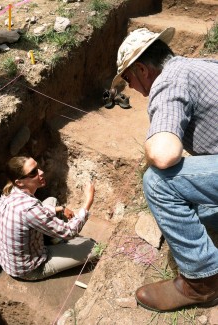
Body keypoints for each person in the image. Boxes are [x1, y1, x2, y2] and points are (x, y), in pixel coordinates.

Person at [112, 27, 218, 312]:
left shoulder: (168, 82)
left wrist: (149, 149)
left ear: (143, 70)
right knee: (201, 210)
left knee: (158, 181)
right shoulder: (199, 65)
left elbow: (163, 154)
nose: (130, 88)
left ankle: (203, 282)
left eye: (127, 78)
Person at [0, 155, 96, 281]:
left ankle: (54, 240)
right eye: (33, 172)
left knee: (51, 201)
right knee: (94, 247)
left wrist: (61, 209)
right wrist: (88, 201)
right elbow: (69, 232)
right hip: (30, 268)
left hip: (11, 261)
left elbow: (32, 215)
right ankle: (56, 242)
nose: (41, 172)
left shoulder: (9, 192)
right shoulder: (30, 209)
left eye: (37, 168)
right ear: (19, 182)